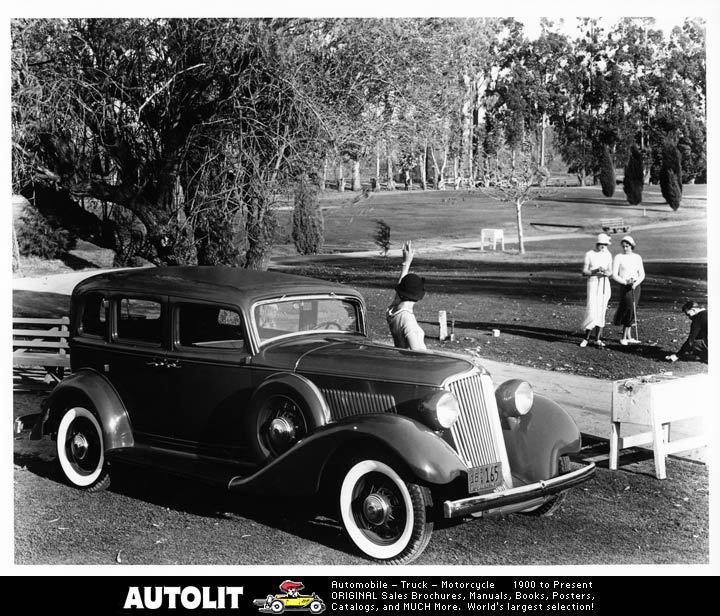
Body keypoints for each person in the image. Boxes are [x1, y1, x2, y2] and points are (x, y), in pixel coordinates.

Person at [386, 240, 427, 351]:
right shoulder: (407, 319)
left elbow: (401, 287)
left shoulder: (393, 310)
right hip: (417, 366)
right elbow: (417, 354)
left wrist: (406, 263)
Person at [579, 233, 613, 347]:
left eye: (605, 244)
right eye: (601, 244)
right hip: (593, 283)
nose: (603, 246)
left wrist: (605, 273)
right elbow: (584, 272)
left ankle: (597, 339)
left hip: (604, 284)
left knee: (602, 309)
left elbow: (610, 272)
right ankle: (586, 338)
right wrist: (595, 271)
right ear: (597, 244)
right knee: (592, 309)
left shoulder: (608, 255)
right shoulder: (590, 254)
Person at [611, 235, 645, 345]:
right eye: (623, 246)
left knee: (633, 308)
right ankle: (623, 337)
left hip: (636, 286)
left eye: (627, 246)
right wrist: (626, 282)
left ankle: (629, 336)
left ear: (632, 246)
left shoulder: (637, 257)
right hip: (625, 286)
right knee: (629, 308)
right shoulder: (618, 257)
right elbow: (614, 275)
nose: (625, 248)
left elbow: (642, 274)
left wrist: (635, 283)